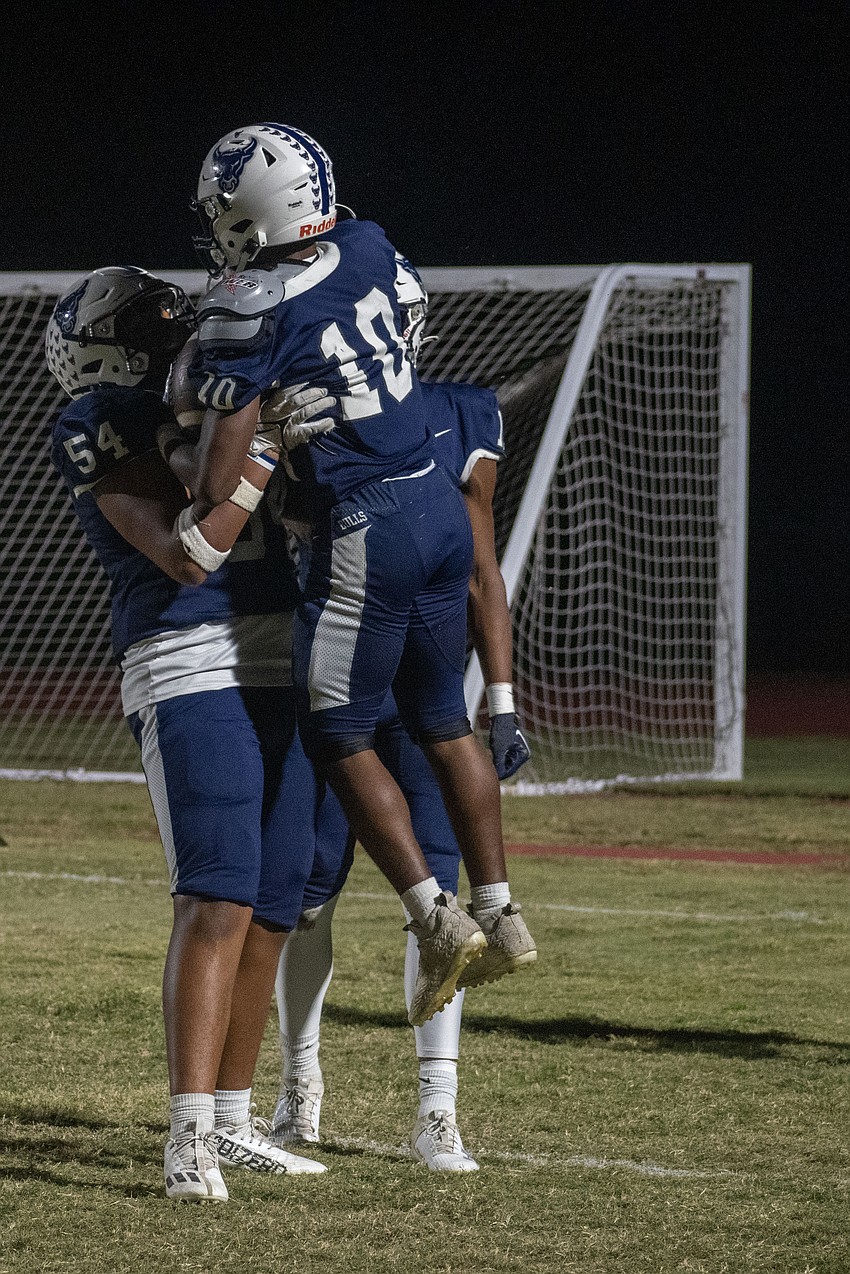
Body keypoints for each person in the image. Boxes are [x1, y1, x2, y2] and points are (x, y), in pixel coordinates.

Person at [184, 122, 537, 1027]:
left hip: (365, 522)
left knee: (336, 730)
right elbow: (396, 319)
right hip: (432, 494)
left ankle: (434, 914)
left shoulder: (248, 303)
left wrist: (245, 429)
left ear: (249, 213)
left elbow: (220, 480)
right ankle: (501, 909)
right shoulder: (369, 242)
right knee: (441, 717)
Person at [44, 267, 328, 1202]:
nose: (190, 338)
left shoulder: (219, 399)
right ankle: (188, 1136)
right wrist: (255, 446)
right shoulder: (99, 422)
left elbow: (289, 518)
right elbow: (186, 553)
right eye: (166, 329)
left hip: (281, 655)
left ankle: (237, 1122)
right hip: (188, 662)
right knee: (215, 897)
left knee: (276, 900)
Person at [273, 362, 533, 1171]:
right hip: (331, 670)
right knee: (307, 901)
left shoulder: (459, 413)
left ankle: (437, 1110)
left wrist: (502, 695)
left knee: (438, 908)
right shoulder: (295, 406)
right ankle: (299, 1082)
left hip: (413, 693)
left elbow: (481, 568)